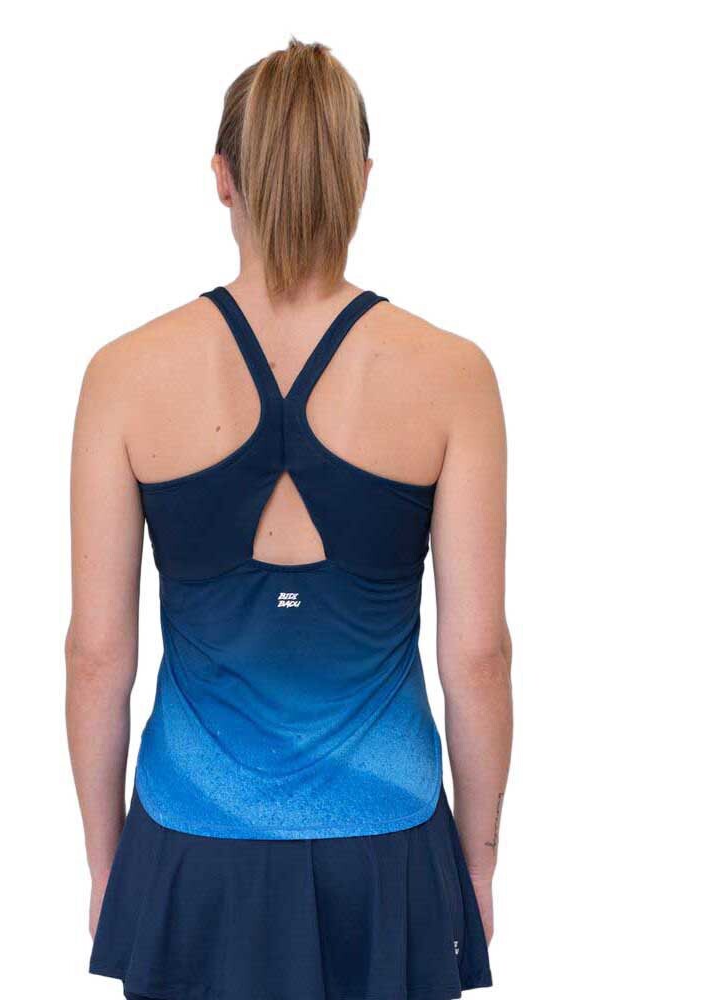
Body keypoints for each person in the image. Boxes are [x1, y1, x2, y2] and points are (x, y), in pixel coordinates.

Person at [67, 38, 512, 1000]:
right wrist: (477, 865)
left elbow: (97, 656)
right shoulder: (452, 376)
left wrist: (108, 866)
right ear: (360, 179)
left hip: (190, 844)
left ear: (222, 177)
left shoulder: (124, 376)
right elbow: (478, 656)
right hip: (388, 849)